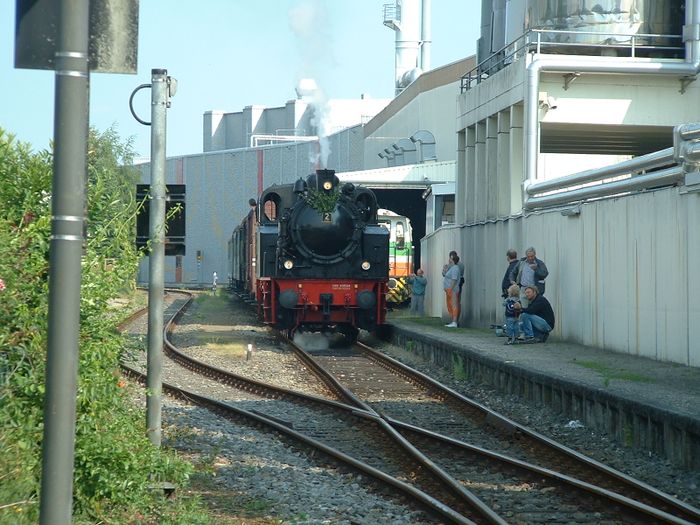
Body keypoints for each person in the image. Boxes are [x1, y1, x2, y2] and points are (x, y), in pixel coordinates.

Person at [442, 253, 461, 327]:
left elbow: (454, 279)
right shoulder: (451, 268)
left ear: (452, 259)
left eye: (450, 258)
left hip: (453, 290)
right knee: (450, 305)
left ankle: (454, 322)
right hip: (449, 290)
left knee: (453, 305)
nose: (448, 260)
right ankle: (453, 321)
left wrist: (451, 288)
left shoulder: (455, 268)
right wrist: (445, 269)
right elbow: (444, 274)